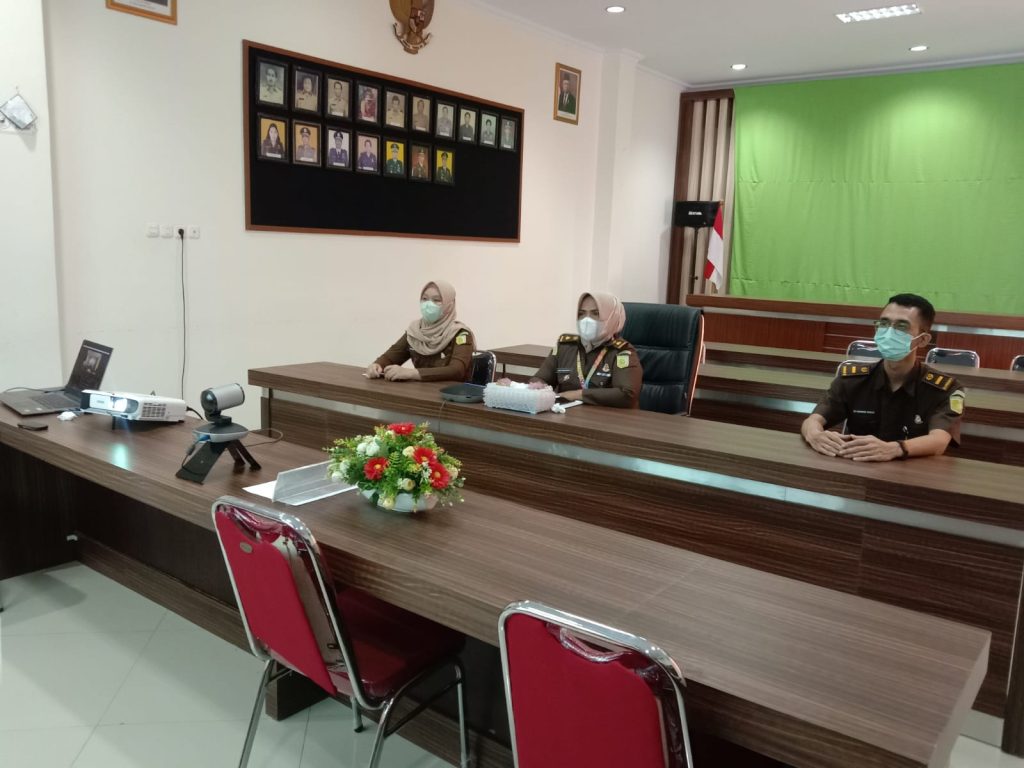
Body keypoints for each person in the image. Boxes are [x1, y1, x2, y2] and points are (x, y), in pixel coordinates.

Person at [801, 293, 965, 462]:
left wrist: (894, 449)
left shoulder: (946, 389)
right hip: (859, 467)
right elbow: (813, 420)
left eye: (901, 326)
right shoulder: (852, 380)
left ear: (922, 340)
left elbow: (939, 441)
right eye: (884, 323)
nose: (889, 332)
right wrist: (814, 434)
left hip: (911, 471)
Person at [532, 292, 642, 408]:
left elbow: (627, 395)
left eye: (595, 313)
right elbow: (541, 378)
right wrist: (539, 387)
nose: (586, 319)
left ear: (612, 318)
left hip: (607, 417)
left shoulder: (621, 352)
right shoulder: (565, 346)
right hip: (566, 414)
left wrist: (578, 395)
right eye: (581, 313)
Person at [366, 281, 476, 382]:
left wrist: (412, 373)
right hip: (422, 391)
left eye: (436, 300)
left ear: (449, 305)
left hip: (452, 393)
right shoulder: (416, 330)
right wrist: (377, 365)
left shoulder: (460, 333)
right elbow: (391, 356)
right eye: (424, 299)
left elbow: (456, 371)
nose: (428, 304)